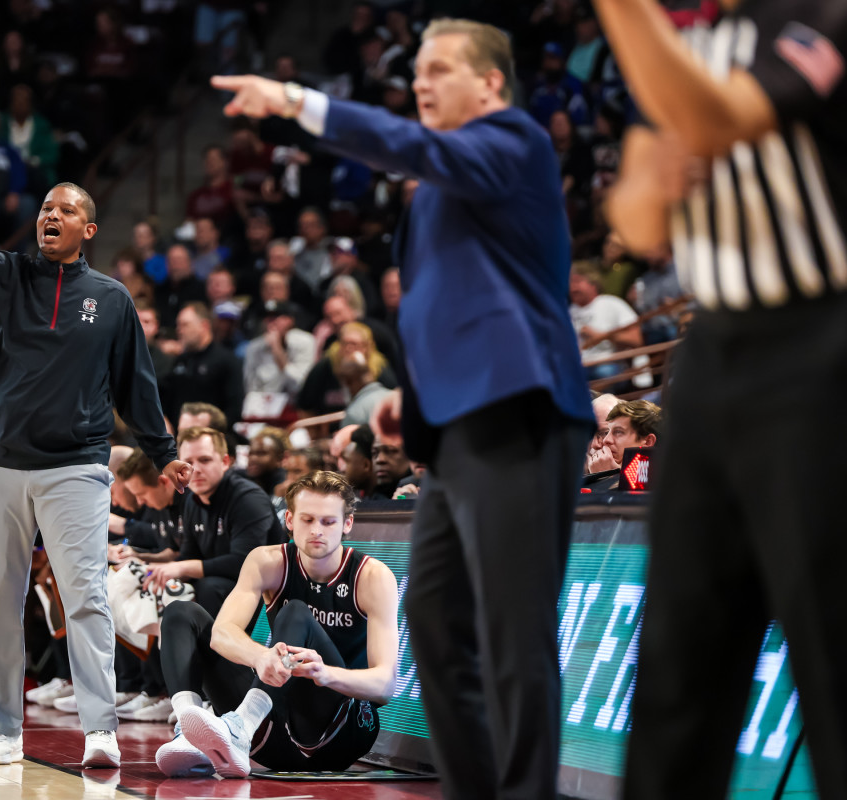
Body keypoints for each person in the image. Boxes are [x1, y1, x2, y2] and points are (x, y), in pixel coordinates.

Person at [213, 18, 593, 798]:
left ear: (489, 83)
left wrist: (294, 100)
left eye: (441, 68)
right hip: (455, 433)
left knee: (513, 634)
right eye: (415, 70)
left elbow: (420, 153)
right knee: (440, 623)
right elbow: (433, 313)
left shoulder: (514, 143)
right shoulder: (429, 198)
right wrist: (407, 411)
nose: (420, 82)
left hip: (523, 414)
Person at [593, 0, 847, 797]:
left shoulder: (837, 14)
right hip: (713, 350)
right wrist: (646, 184)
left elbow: (711, 123)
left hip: (828, 340)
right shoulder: (692, 39)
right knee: (676, 667)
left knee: (843, 664)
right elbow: (636, 218)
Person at [0, 137, 191, 769]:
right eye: (44, 207)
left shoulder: (113, 298)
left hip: (76, 466)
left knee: (87, 594)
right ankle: (4, 729)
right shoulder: (0, 275)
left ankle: (100, 730)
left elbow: (135, 387)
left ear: (87, 228)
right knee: (0, 602)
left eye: (64, 209)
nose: (50, 215)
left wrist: (163, 450)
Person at [155, 470, 398, 778]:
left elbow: (385, 686)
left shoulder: (372, 576)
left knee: (295, 612)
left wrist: (324, 674)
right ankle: (188, 732)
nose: (317, 531)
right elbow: (221, 635)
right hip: (274, 729)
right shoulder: (267, 561)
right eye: (308, 520)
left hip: (340, 730)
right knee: (180, 613)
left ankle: (241, 724)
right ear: (290, 520)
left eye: (328, 521)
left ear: (347, 524)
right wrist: (260, 657)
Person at [142, 427, 285, 617]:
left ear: (225, 462)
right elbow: (189, 555)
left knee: (209, 587)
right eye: (188, 463)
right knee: (158, 587)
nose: (196, 469)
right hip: (225, 586)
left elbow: (242, 562)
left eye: (205, 460)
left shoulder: (249, 498)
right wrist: (153, 570)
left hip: (267, 593)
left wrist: (182, 567)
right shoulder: (193, 500)